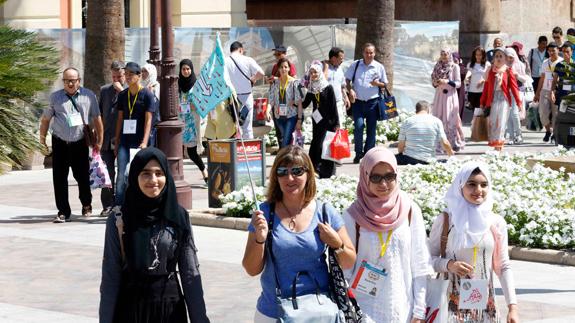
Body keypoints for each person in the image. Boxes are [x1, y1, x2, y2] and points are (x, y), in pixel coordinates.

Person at [242, 145, 356, 322]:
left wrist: (337, 244)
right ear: (275, 177)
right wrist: (259, 239)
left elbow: (349, 261)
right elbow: (251, 269)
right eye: (282, 171)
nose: (289, 178)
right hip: (274, 312)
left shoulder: (324, 212)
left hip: (319, 312)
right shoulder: (265, 214)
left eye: (297, 171)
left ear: (308, 173)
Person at [99, 147, 210, 323]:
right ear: (135, 176)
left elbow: (190, 273)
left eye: (159, 173)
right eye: (146, 173)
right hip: (130, 309)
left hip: (170, 309)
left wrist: (200, 319)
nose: (153, 180)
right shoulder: (119, 218)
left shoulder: (178, 217)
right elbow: (111, 276)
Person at [342, 147, 432, 322]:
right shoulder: (353, 215)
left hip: (402, 309)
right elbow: (346, 269)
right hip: (363, 312)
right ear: (365, 176)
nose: (383, 184)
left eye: (389, 176)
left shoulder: (410, 210)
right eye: (375, 177)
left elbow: (420, 264)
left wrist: (419, 309)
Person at [428, 162, 519, 323]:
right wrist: (449, 265)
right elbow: (428, 261)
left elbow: (503, 266)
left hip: (486, 309)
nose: (478, 190)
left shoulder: (496, 222)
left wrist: (513, 307)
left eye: (484, 185)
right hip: (449, 307)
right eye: (471, 184)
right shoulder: (446, 220)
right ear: (460, 186)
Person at [39, 67, 103, 222]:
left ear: (78, 81)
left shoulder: (89, 96)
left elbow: (97, 119)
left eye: (73, 80)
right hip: (60, 141)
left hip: (79, 142)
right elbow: (46, 119)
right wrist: (42, 140)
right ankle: (63, 211)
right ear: (63, 81)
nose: (69, 83)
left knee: (82, 176)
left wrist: (100, 141)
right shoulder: (55, 97)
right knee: (59, 178)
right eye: (67, 80)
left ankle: (86, 202)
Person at [114, 62, 156, 206]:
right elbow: (119, 119)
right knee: (121, 175)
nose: (128, 76)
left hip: (140, 144)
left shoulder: (147, 95)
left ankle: (137, 204)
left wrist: (144, 142)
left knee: (135, 174)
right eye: (126, 74)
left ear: (139, 76)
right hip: (125, 142)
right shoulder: (123, 95)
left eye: (131, 74)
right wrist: (117, 140)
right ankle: (118, 206)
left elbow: (148, 120)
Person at [345, 43, 388, 163]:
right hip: (358, 102)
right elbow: (347, 80)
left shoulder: (379, 67)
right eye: (367, 52)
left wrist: (377, 84)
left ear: (374, 53)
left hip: (373, 102)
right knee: (358, 127)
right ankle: (358, 154)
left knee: (371, 129)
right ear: (363, 53)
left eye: (371, 52)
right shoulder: (356, 64)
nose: (369, 55)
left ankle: (368, 155)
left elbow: (385, 83)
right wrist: (350, 90)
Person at [302, 61, 339, 178]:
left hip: (328, 122)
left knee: (326, 145)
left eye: (315, 72)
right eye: (311, 72)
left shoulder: (328, 88)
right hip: (317, 121)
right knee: (316, 144)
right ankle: (314, 168)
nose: (313, 74)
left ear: (320, 73)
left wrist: (337, 123)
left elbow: (333, 106)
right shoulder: (311, 88)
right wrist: (294, 103)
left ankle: (328, 171)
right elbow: (305, 104)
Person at [98, 61, 126, 216]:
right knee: (107, 173)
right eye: (114, 76)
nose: (116, 79)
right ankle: (107, 204)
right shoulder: (105, 90)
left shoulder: (129, 91)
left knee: (123, 174)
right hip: (107, 139)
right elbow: (100, 114)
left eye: (119, 76)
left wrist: (122, 91)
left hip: (123, 139)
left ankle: (121, 203)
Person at [480, 48, 522, 151]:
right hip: (492, 99)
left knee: (501, 122)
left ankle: (499, 145)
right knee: (493, 122)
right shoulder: (490, 71)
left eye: (501, 56)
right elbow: (486, 87)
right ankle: (496, 144)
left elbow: (514, 87)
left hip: (504, 99)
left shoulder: (507, 70)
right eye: (497, 56)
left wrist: (518, 102)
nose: (498, 58)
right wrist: (482, 101)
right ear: (493, 58)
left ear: (505, 59)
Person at [225, 41, 265, 139]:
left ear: (231, 51)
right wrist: (253, 78)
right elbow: (261, 73)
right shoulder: (248, 59)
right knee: (247, 127)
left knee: (232, 127)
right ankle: (246, 151)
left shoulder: (225, 61)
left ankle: (235, 151)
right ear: (241, 49)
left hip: (231, 98)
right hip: (246, 98)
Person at [178, 59, 208, 183]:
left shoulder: (196, 85)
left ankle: (205, 173)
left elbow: (203, 101)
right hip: (181, 122)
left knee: (192, 151)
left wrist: (196, 105)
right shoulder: (177, 84)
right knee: (178, 151)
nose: (186, 71)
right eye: (184, 69)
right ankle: (177, 177)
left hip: (193, 122)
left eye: (188, 69)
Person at [396, 101, 453, 165]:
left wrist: (400, 154)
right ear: (428, 109)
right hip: (428, 160)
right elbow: (445, 142)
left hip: (409, 159)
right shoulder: (436, 121)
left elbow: (401, 145)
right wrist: (451, 156)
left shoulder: (407, 121)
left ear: (416, 110)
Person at [431, 48, 465, 152]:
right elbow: (433, 83)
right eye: (442, 54)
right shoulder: (437, 66)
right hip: (439, 96)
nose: (444, 56)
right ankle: (439, 144)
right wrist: (436, 83)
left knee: (450, 119)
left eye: (446, 54)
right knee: (439, 118)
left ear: (449, 54)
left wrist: (447, 81)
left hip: (450, 96)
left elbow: (458, 83)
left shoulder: (454, 67)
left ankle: (452, 143)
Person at [269, 57, 303, 148]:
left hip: (291, 116)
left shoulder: (295, 82)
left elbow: (300, 102)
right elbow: (271, 100)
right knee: (286, 139)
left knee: (285, 141)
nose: (283, 69)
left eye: (285, 67)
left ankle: (283, 160)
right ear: (278, 68)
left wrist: (299, 120)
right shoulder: (275, 83)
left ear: (289, 68)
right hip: (278, 117)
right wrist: (267, 111)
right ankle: (289, 159)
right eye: (281, 67)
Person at [535, 43, 563, 142]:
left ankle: (554, 134)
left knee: (556, 114)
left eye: (553, 51)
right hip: (545, 90)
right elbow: (542, 78)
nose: (551, 53)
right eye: (549, 51)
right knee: (542, 112)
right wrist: (537, 93)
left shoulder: (562, 62)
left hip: (556, 91)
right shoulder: (545, 62)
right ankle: (548, 130)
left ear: (558, 50)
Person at [504, 47, 530, 145]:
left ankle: (518, 135)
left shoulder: (520, 65)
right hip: (506, 92)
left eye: (511, 57)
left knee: (515, 114)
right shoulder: (502, 66)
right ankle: (511, 136)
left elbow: (525, 79)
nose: (509, 59)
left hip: (517, 91)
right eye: (506, 57)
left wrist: (517, 75)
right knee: (508, 115)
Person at [551, 42, 574, 146]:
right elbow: (554, 80)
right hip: (562, 96)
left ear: (572, 52)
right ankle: (557, 137)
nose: (565, 54)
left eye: (567, 52)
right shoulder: (559, 65)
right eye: (563, 52)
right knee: (559, 117)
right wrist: (552, 91)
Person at [325, 47, 351, 127]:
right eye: (340, 58)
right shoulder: (323, 67)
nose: (342, 61)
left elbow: (342, 86)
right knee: (328, 125)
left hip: (338, 102)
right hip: (326, 103)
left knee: (340, 124)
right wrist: (325, 67)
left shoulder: (340, 69)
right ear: (333, 58)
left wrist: (346, 97)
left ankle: (338, 140)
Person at [465, 47, 491, 113]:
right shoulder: (470, 64)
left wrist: (482, 80)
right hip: (472, 91)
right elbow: (469, 72)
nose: (478, 56)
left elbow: (489, 77)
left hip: (483, 91)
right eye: (476, 55)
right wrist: (467, 77)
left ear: (483, 55)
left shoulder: (487, 64)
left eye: (480, 55)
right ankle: (475, 123)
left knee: (482, 112)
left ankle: (482, 123)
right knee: (475, 112)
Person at [141, 63, 160, 146]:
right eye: (142, 71)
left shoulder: (156, 86)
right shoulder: (141, 85)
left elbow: (156, 104)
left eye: (146, 71)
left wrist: (151, 94)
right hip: (141, 120)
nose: (143, 73)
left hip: (152, 122)